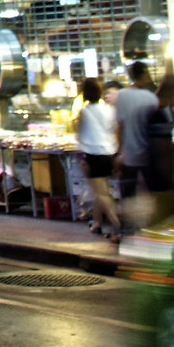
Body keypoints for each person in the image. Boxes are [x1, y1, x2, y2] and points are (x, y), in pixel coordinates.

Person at [74, 77, 120, 240]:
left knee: (102, 194)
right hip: (110, 153)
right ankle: (97, 222)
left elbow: (79, 135)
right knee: (101, 190)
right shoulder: (109, 110)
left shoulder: (85, 112)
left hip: (93, 155)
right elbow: (115, 128)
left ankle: (118, 226)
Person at [112, 62, 160, 206]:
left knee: (128, 194)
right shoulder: (151, 98)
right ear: (146, 74)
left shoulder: (122, 95)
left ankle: (128, 220)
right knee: (153, 192)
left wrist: (119, 152)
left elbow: (119, 126)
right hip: (149, 154)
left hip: (129, 154)